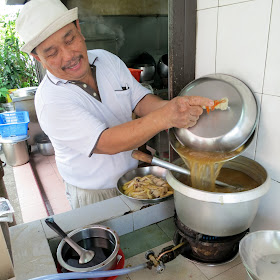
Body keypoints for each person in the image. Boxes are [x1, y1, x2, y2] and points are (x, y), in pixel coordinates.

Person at [15, 0, 213, 209]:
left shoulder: (106, 59)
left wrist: (175, 108)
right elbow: (105, 142)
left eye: (70, 39)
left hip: (133, 179)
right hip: (93, 195)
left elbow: (140, 101)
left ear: (79, 29)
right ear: (38, 58)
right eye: (52, 52)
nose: (68, 56)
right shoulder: (50, 101)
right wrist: (166, 116)